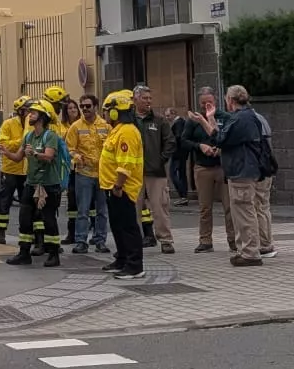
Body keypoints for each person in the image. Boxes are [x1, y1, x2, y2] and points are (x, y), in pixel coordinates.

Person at [216, 84, 278, 266]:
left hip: (243, 170)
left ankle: (251, 252)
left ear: (230, 100)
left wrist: (208, 122)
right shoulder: (252, 116)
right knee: (255, 208)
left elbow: (221, 139)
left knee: (246, 210)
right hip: (253, 169)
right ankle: (255, 247)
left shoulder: (241, 119)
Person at [96, 89, 148, 280]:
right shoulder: (117, 131)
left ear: (115, 112)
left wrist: (118, 186)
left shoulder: (127, 132)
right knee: (118, 226)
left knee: (128, 227)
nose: (105, 114)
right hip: (112, 187)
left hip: (122, 188)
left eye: (107, 110)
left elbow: (126, 164)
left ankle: (135, 266)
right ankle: (122, 259)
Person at [12, 101, 69, 267]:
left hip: (49, 185)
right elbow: (18, 157)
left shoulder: (50, 136)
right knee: (24, 218)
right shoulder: (28, 136)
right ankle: (24, 253)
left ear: (42, 117)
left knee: (48, 219)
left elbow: (49, 156)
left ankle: (53, 254)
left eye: (34, 113)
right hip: (31, 184)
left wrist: (35, 154)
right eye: (30, 112)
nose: (29, 115)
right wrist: (5, 152)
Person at [186, 86, 233, 254]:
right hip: (203, 167)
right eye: (203, 103)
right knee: (205, 207)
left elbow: (229, 138)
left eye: (210, 102)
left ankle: (233, 240)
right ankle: (205, 241)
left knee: (229, 206)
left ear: (216, 101)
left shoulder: (225, 117)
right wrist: (200, 146)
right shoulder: (194, 120)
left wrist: (221, 149)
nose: (206, 105)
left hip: (222, 167)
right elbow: (183, 141)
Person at [131, 85, 176, 255]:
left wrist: (161, 160)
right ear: (135, 99)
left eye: (150, 98)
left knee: (160, 207)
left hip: (155, 172)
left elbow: (170, 142)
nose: (148, 101)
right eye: (145, 98)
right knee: (133, 209)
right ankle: (134, 241)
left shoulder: (159, 120)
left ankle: (166, 240)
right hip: (132, 173)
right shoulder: (128, 120)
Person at [65, 93, 110, 253]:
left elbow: (112, 148)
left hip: (102, 175)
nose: (84, 109)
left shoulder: (106, 126)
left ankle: (100, 240)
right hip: (83, 174)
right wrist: (76, 157)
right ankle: (81, 241)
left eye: (88, 106)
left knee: (102, 211)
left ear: (95, 107)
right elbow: (69, 148)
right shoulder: (76, 127)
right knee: (82, 210)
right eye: (82, 106)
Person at [0, 96, 30, 250]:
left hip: (26, 169)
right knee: (5, 200)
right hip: (10, 169)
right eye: (27, 110)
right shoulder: (8, 124)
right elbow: (3, 144)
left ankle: (27, 232)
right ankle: (0, 230)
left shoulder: (32, 125)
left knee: (26, 203)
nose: (30, 113)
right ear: (20, 111)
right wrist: (22, 142)